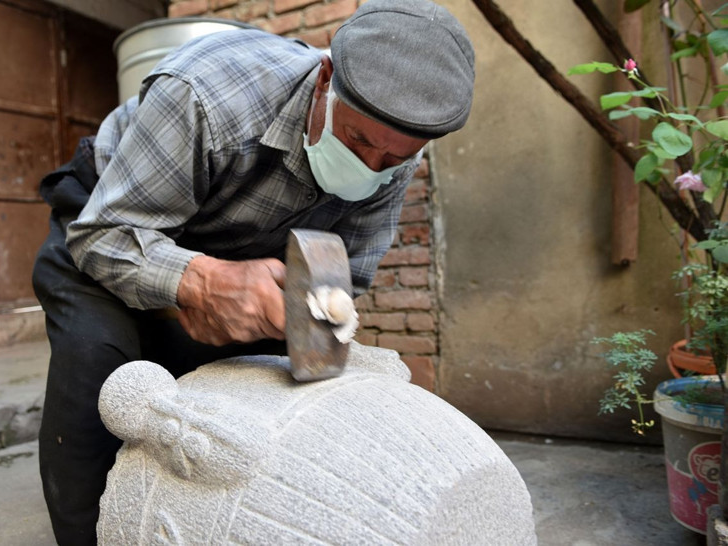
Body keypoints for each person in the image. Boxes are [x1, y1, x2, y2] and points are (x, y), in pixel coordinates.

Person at [31, 0, 475, 543]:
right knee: (103, 387)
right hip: (113, 224)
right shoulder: (207, 94)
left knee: (242, 396)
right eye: (358, 141)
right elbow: (105, 237)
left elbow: (339, 279)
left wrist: (321, 339)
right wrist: (196, 285)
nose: (371, 167)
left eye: (393, 159)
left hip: (240, 252)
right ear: (325, 80)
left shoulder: (398, 152)